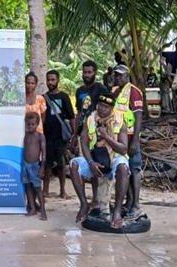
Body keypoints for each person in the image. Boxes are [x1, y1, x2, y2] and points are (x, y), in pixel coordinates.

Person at [69, 93, 130, 229]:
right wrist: (91, 162)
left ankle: (117, 212)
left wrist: (106, 137)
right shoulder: (90, 119)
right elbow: (84, 143)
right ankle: (84, 204)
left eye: (106, 107)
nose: (102, 109)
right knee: (74, 164)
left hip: (114, 158)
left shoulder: (120, 121)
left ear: (112, 108)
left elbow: (123, 149)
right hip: (95, 158)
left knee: (123, 167)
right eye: (100, 105)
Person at [109, 64, 146, 218]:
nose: (117, 77)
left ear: (127, 76)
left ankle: (136, 205)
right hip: (118, 138)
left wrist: (135, 140)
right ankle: (128, 203)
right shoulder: (115, 91)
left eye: (120, 75)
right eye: (116, 75)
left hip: (130, 137)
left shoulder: (134, 92)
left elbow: (138, 117)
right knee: (125, 170)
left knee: (134, 169)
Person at [42, 70, 74, 199]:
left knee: (61, 163)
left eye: (53, 80)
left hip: (61, 136)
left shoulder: (64, 97)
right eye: (48, 80)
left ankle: (62, 191)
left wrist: (74, 134)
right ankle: (45, 190)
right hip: (47, 136)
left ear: (58, 80)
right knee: (47, 164)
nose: (50, 82)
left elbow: (71, 116)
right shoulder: (43, 97)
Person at [23, 112, 47, 221]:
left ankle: (43, 210)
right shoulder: (25, 135)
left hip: (35, 165)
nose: (30, 126)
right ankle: (32, 208)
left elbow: (44, 153)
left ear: (37, 124)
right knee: (28, 186)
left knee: (38, 188)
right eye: (28, 124)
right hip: (25, 164)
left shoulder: (40, 136)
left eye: (33, 124)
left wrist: (42, 167)